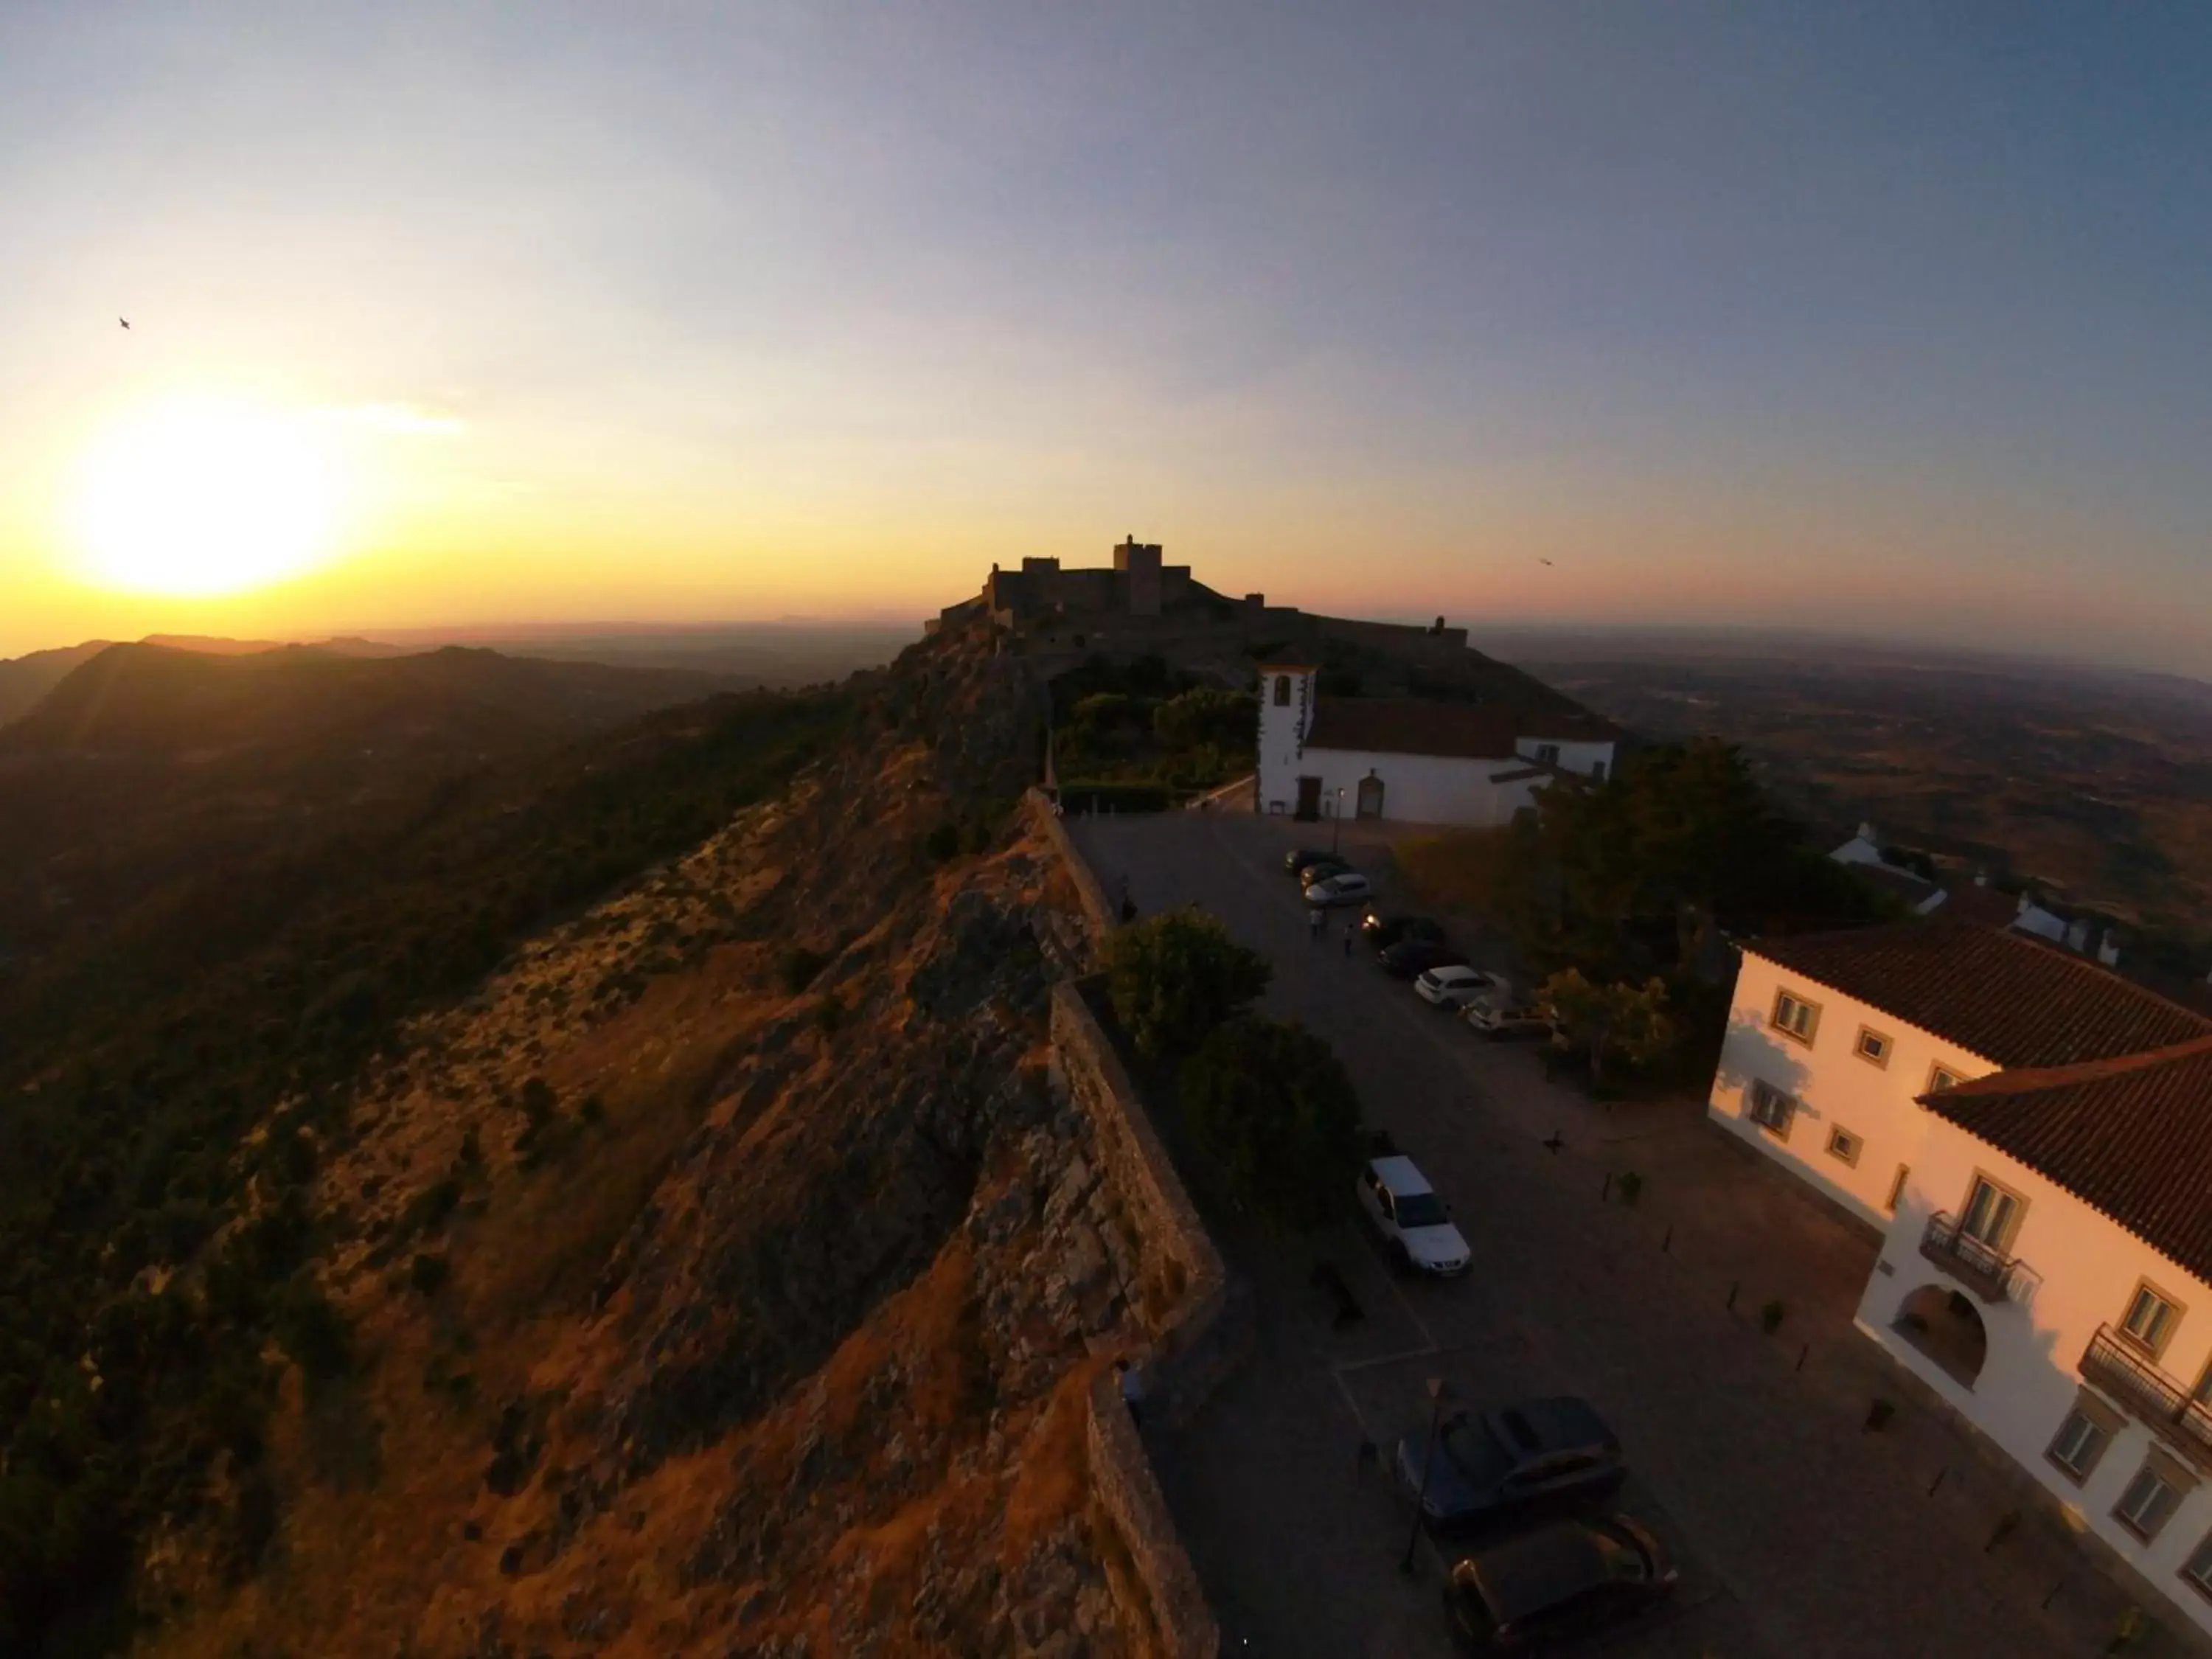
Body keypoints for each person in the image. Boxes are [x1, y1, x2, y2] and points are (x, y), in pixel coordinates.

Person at [1115, 1357, 1147, 1430]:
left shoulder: (1123, 1377)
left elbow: (1122, 1392)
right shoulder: (1132, 1372)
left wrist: (1122, 1397)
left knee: (1134, 1414)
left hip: (1132, 1398)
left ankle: (1137, 1427)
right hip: (1138, 1395)